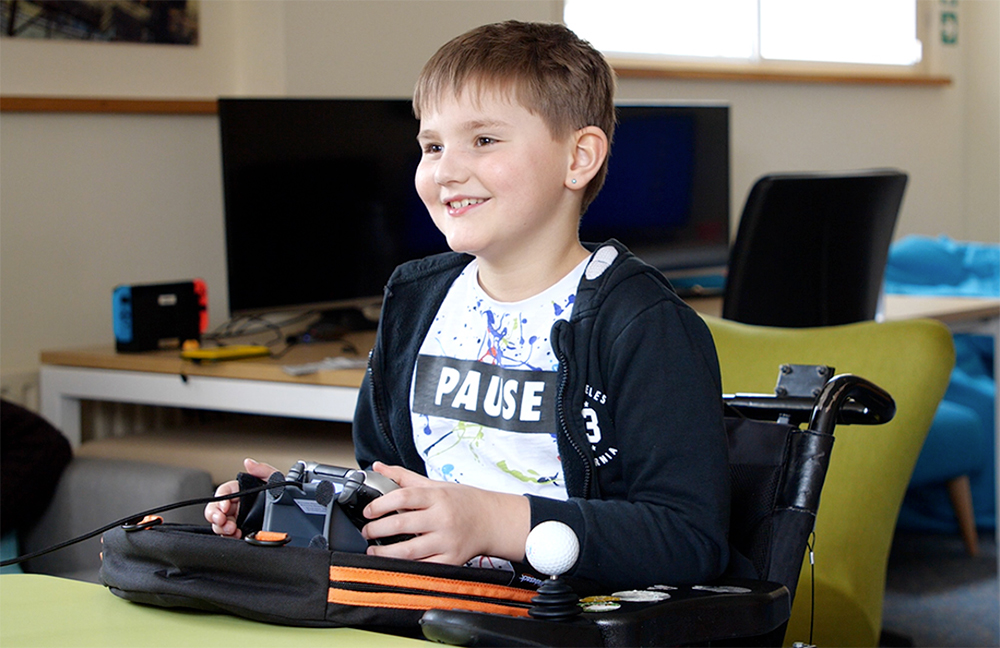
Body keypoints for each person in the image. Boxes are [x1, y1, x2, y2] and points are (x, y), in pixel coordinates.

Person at [207, 20, 731, 591]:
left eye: (483, 140)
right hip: (425, 609)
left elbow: (689, 539)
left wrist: (494, 522)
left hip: (569, 620)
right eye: (432, 146)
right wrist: (296, 503)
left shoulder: (640, 324)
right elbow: (386, 483)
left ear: (579, 158)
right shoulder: (415, 300)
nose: (446, 170)